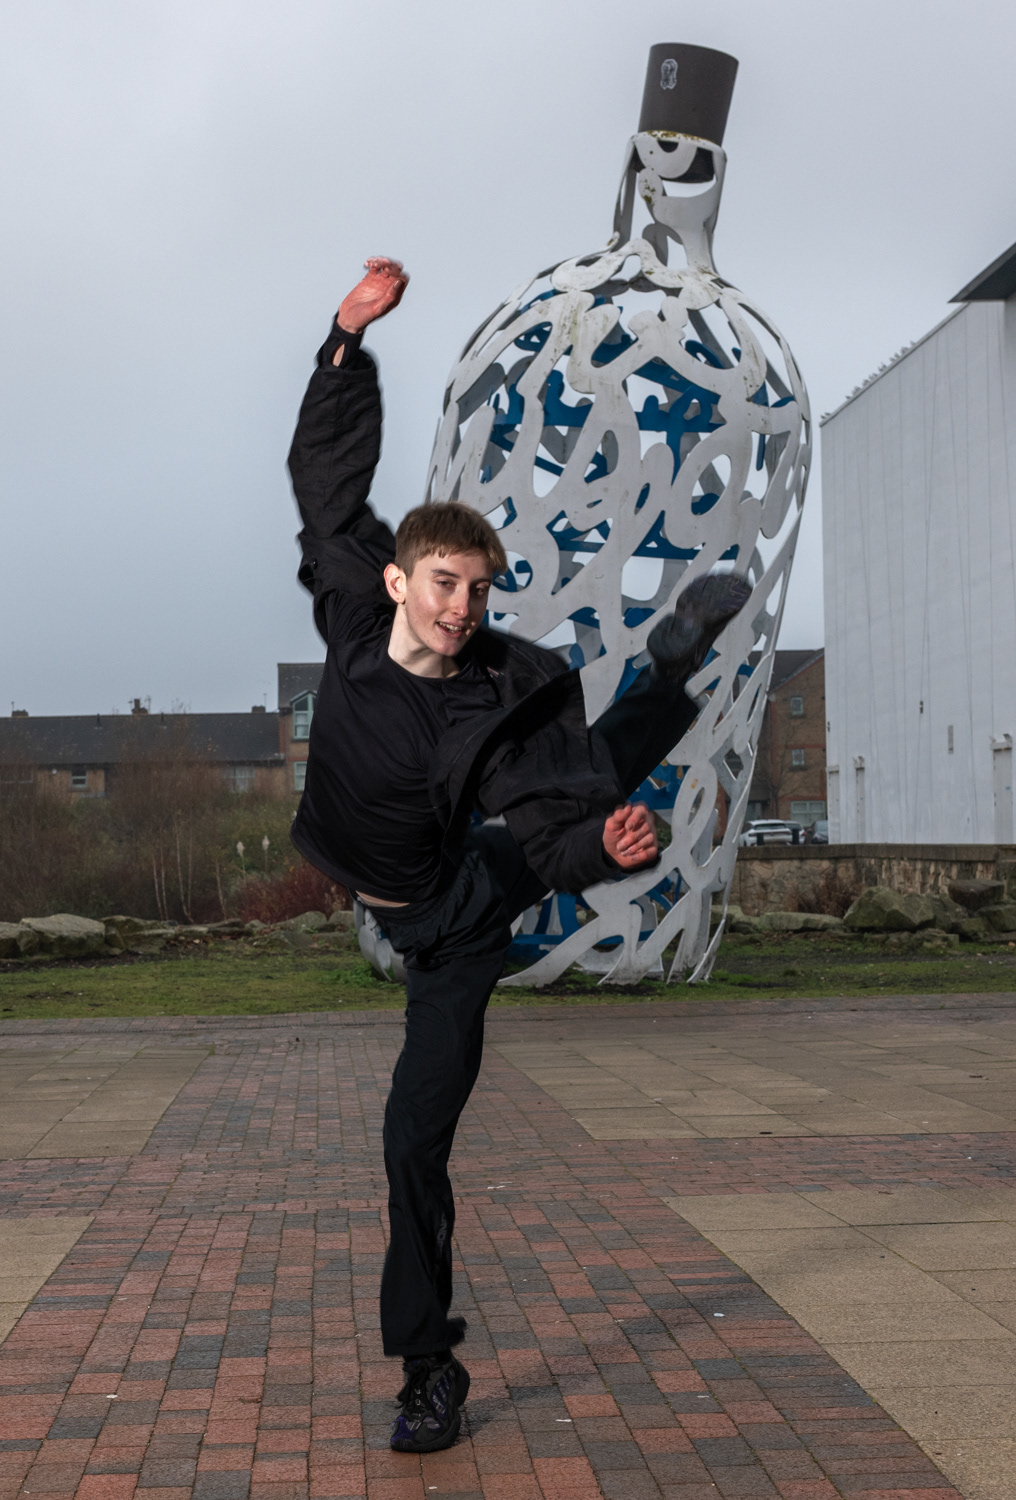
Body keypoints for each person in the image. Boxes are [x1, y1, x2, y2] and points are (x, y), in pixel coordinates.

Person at [286, 257, 750, 1453]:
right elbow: (327, 489)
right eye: (444, 584)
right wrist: (343, 345)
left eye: (480, 591)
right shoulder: (350, 609)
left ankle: (428, 1371)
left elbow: (547, 819)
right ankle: (667, 679)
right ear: (399, 579)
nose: (461, 607)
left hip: (462, 917)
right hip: (409, 882)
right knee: (581, 774)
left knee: (412, 1142)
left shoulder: (502, 684)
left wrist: (602, 844)